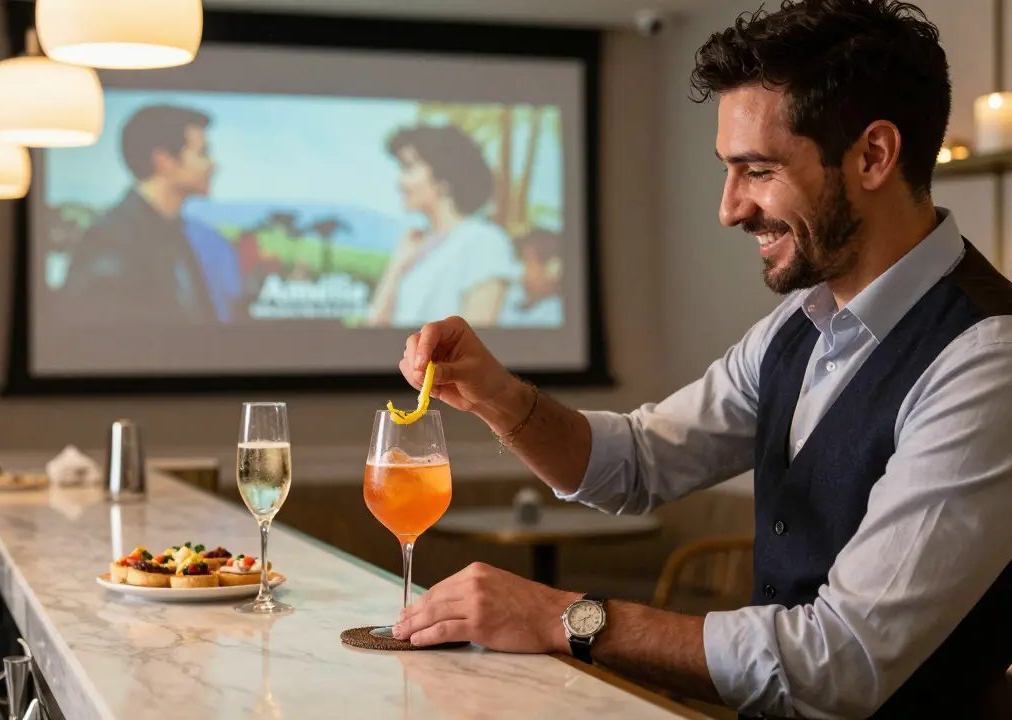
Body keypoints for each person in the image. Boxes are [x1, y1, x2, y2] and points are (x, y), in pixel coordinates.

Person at [390, 2, 1012, 718]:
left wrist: (559, 618)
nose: (730, 208)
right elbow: (636, 462)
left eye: (758, 170)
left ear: (873, 155)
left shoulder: (987, 360)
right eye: (729, 170)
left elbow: (837, 663)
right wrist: (499, 396)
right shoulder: (799, 325)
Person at [64, 104, 240, 324]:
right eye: (203, 153)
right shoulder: (112, 239)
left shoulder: (172, 231)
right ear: (164, 161)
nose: (213, 165)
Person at [367, 123, 520, 328]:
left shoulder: (483, 241)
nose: (399, 181)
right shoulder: (415, 246)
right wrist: (396, 267)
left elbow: (476, 347)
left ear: (444, 177)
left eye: (409, 168)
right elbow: (374, 328)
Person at [500, 228, 565, 327]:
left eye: (527, 261)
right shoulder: (514, 297)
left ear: (553, 268)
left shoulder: (553, 313)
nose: (522, 269)